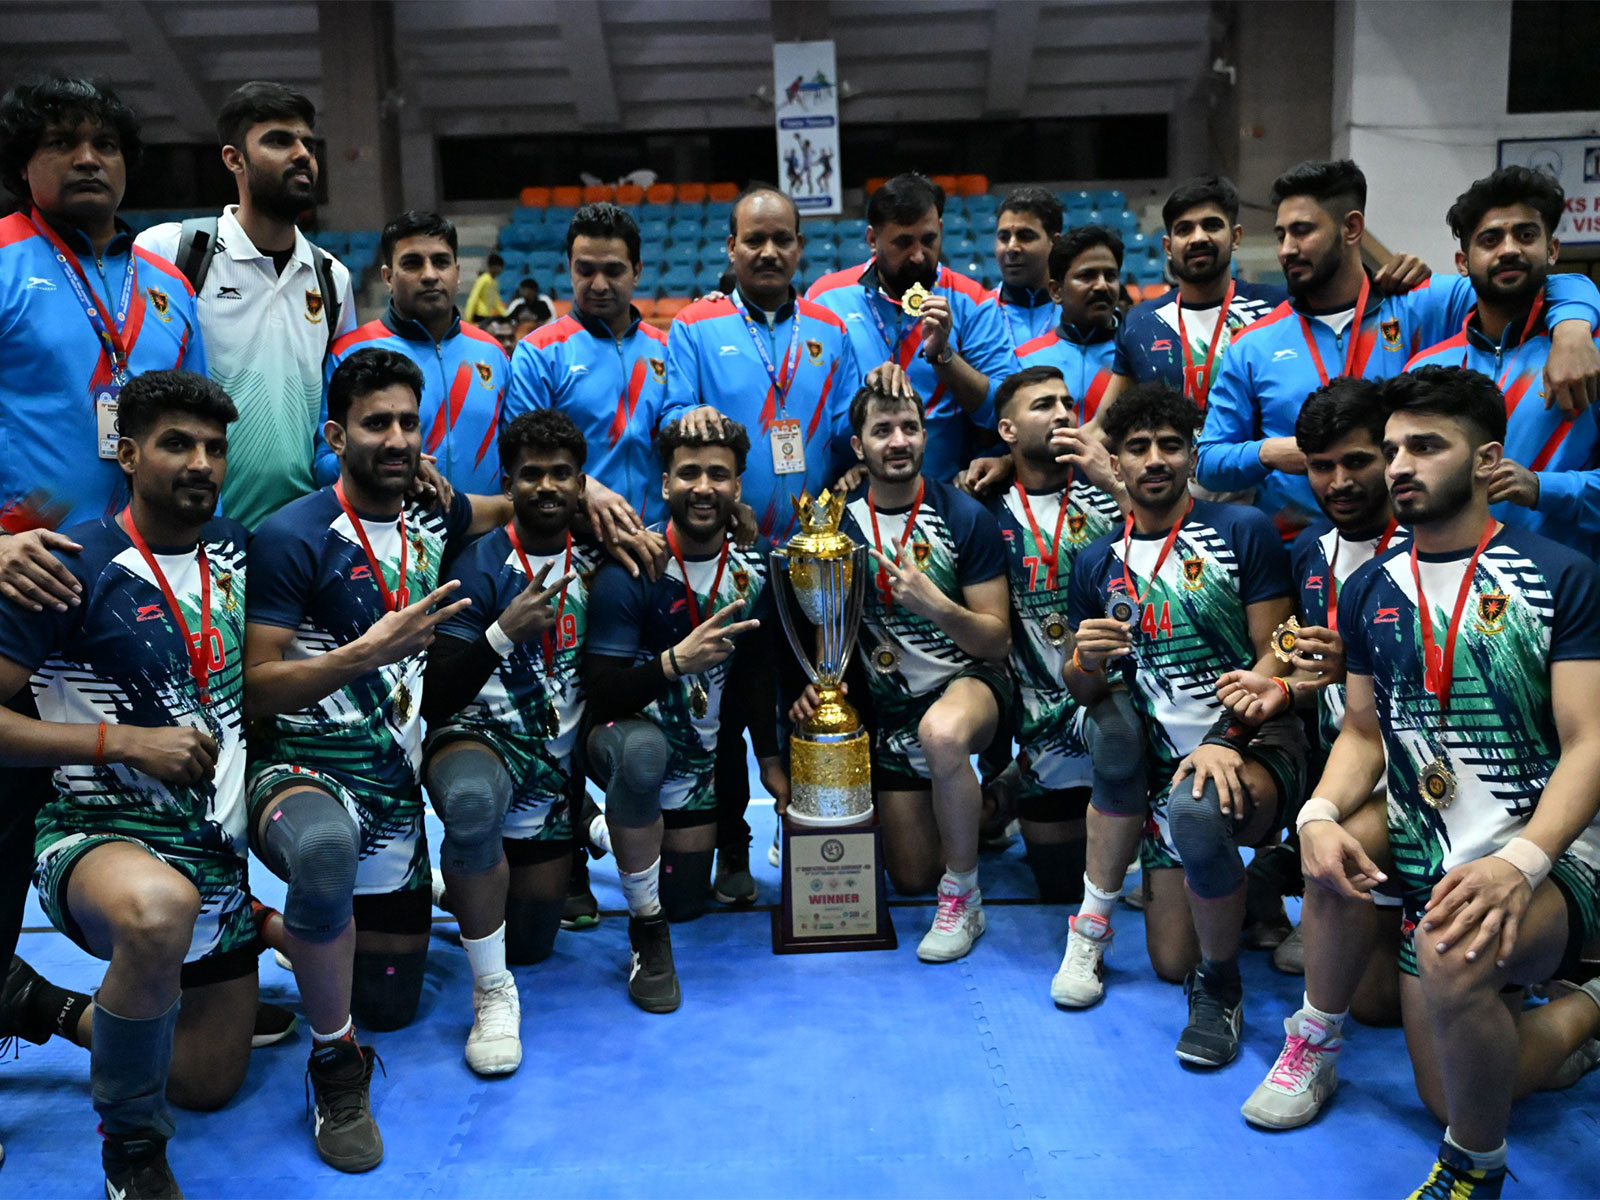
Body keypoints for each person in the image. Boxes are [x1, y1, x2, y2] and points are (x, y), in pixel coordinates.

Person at [1247, 366, 1600, 1196]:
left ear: (1484, 461)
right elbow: (1365, 732)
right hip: (1420, 829)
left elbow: (1590, 745)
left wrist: (1524, 863)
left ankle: (1483, 1155)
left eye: (1425, 447)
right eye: (1394, 448)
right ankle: (1317, 1041)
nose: (1399, 466)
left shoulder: (1562, 576)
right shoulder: (1370, 586)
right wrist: (1322, 811)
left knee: (1457, 1076)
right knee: (1327, 849)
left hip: (1542, 849)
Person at [243, 348, 508, 1169]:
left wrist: (595, 498)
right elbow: (257, 685)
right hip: (301, 775)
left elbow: (514, 507)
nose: (395, 439)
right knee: (323, 856)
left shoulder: (434, 515)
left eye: (407, 423)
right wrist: (366, 652)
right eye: (375, 423)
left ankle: (270, 928)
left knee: (389, 1004)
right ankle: (334, 1066)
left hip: (392, 787)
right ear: (335, 434)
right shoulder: (292, 535)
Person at [0, 371, 252, 1199]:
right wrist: (122, 742)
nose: (201, 463)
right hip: (95, 837)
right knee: (157, 912)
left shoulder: (242, 551)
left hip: (217, 858)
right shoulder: (69, 564)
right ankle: (133, 1152)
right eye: (178, 443)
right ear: (129, 452)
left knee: (205, 1080)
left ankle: (42, 1006)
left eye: (214, 447)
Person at [1063, 382, 1305, 1069]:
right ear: (1115, 464)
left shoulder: (1242, 531)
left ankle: (1220, 989)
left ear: (1192, 453)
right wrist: (1085, 658)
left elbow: (1276, 651)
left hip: (1252, 742)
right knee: (1170, 958)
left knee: (1196, 815)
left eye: (1170, 445)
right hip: (1164, 765)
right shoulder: (1095, 562)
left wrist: (1228, 739)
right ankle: (1250, 894)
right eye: (1137, 447)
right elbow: (1081, 685)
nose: (1155, 459)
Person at [1197, 159, 1600, 534]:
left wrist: (1573, 331)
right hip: (1301, 554)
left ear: (1351, 228)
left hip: (1410, 545)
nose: (1286, 249)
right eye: (1280, 235)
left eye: (1302, 231)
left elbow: (1535, 282)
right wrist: (1272, 452)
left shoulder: (1421, 305)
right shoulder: (1253, 344)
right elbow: (1207, 462)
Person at [662, 185, 861, 904]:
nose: (770, 251)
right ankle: (733, 852)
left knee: (809, 698)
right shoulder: (693, 327)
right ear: (732, 249)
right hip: (726, 555)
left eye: (783, 239)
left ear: (800, 248)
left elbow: (843, 437)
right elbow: (677, 418)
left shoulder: (829, 332)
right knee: (725, 707)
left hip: (813, 558)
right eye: (755, 240)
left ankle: (813, 840)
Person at [796, 379, 1011, 962]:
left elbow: (996, 640)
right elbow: (828, 637)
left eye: (910, 428)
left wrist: (932, 604)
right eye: (882, 430)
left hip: (969, 688)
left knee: (941, 735)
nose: (898, 441)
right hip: (890, 709)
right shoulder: (835, 530)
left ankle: (963, 896)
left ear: (926, 436)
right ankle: (995, 802)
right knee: (911, 876)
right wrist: (822, 686)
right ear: (858, 446)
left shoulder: (963, 515)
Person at [583, 415, 784, 1009]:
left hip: (699, 762)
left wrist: (771, 764)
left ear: (739, 489)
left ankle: (606, 830)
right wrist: (673, 663)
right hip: (624, 739)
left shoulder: (752, 569)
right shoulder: (634, 568)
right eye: (689, 473)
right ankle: (595, 819)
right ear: (665, 482)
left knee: (688, 904)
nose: (704, 487)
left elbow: (754, 677)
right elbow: (601, 692)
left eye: (718, 475)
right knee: (642, 756)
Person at [420, 409, 598, 1075]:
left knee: (530, 941)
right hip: (478, 737)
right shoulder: (478, 564)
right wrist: (501, 631)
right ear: (508, 482)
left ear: (582, 484)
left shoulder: (601, 555)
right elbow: (439, 695)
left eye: (560, 474)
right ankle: (491, 994)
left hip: (550, 768)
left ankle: (450, 886)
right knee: (469, 802)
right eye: (531, 475)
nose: (546, 486)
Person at [135, 81, 355, 529]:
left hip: (297, 536)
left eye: (308, 144)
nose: (302, 155)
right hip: (190, 530)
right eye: (279, 140)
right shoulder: (169, 251)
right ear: (234, 158)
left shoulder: (333, 277)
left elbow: (333, 415)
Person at [0, 75, 206, 532]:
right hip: (29, 566)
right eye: (61, 142)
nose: (89, 159)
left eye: (107, 145)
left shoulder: (171, 286)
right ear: (22, 165)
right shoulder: (3, 260)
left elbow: (199, 429)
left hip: (148, 562)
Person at [1407, 166, 1600, 557]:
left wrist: (1544, 489)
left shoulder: (1590, 357)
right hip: (1449, 594)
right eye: (1490, 239)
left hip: (1571, 594)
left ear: (1552, 250)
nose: (1509, 248)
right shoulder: (1425, 370)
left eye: (1526, 235)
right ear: (1463, 263)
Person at [986, 366, 1126, 905]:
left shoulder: (1111, 496)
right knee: (1060, 887)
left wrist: (1110, 477)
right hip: (1042, 726)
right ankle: (1011, 781)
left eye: (1068, 403)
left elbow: (1173, 533)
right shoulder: (985, 510)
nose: (1065, 414)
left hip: (1120, 710)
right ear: (1008, 432)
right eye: (1043, 405)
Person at [807, 173, 1012, 483]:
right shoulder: (826, 299)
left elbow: (1003, 410)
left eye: (928, 240)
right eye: (903, 242)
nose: (918, 255)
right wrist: (865, 402)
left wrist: (944, 356)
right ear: (872, 240)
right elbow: (812, 407)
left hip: (946, 493)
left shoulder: (973, 302)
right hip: (854, 490)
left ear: (941, 229)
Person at [504, 203, 671, 576]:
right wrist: (586, 489)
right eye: (585, 270)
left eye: (613, 270)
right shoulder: (539, 352)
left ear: (637, 271)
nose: (598, 284)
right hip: (573, 548)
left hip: (659, 544)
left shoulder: (665, 349)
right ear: (569, 268)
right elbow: (522, 455)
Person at [318, 211, 508, 498]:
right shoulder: (348, 352)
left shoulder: (492, 352)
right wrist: (389, 463)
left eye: (441, 262)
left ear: (456, 273)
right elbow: (323, 464)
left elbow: (515, 455)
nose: (430, 275)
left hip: (483, 536)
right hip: (389, 536)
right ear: (388, 277)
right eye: (412, 263)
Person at [1104, 175, 1285, 414]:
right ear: (1168, 247)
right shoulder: (1140, 322)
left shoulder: (1277, 308)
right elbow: (1104, 424)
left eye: (1211, 225)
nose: (1198, 237)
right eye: (1184, 229)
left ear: (1236, 237)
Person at [981, 187, 1064, 355]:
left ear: (1055, 243)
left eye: (1025, 236)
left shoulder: (1078, 313)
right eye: (1004, 237)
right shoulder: (978, 313)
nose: (1011, 248)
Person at [463, 251, 505, 324]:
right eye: (500, 267)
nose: (501, 270)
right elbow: (474, 297)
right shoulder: (483, 280)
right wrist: (468, 317)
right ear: (494, 266)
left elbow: (496, 300)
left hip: (488, 316)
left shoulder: (494, 282)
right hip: (479, 316)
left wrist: (505, 314)